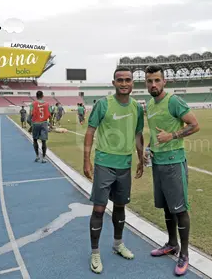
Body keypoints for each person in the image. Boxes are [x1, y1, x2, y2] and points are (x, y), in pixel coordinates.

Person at [83, 66, 144, 274]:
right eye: (120, 80)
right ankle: (95, 253)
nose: (124, 83)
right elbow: (90, 132)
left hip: (124, 166)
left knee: (120, 207)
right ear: (114, 83)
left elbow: (138, 134)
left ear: (133, 84)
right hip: (104, 165)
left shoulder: (137, 107)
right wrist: (86, 161)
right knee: (99, 209)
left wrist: (140, 159)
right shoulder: (103, 104)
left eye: (128, 80)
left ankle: (118, 244)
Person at [143, 65, 200, 276]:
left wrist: (172, 136)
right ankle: (171, 244)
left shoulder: (174, 101)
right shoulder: (149, 104)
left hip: (174, 162)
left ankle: (184, 253)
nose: (153, 84)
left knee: (180, 209)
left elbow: (194, 125)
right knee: (167, 208)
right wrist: (148, 149)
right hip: (157, 163)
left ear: (164, 82)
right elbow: (155, 133)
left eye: (157, 80)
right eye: (150, 81)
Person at [30, 91, 50, 163]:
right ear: (43, 96)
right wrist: (50, 124)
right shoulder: (47, 104)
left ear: (36, 96)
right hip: (44, 123)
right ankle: (44, 158)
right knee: (43, 141)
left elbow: (30, 116)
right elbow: (50, 114)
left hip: (35, 124)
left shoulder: (32, 104)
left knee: (35, 140)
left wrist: (31, 125)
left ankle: (37, 156)